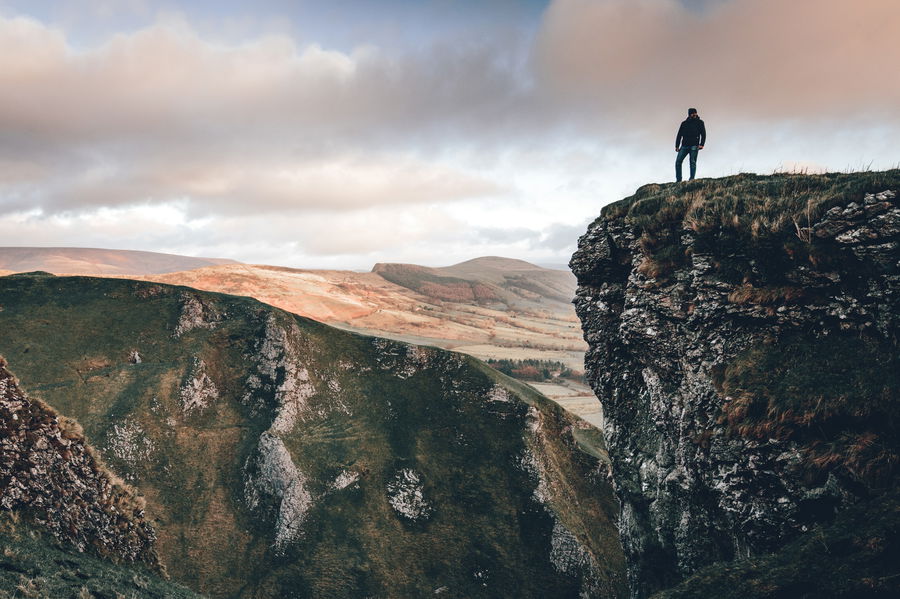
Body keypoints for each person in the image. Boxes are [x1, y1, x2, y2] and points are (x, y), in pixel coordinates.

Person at [675, 108, 706, 182]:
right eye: (692, 113)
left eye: (695, 113)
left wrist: (702, 144)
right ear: (689, 114)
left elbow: (703, 134)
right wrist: (677, 146)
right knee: (678, 162)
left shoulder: (700, 122)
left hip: (694, 145)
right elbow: (679, 135)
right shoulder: (684, 123)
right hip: (684, 145)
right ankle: (679, 180)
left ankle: (692, 179)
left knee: (692, 162)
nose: (694, 114)